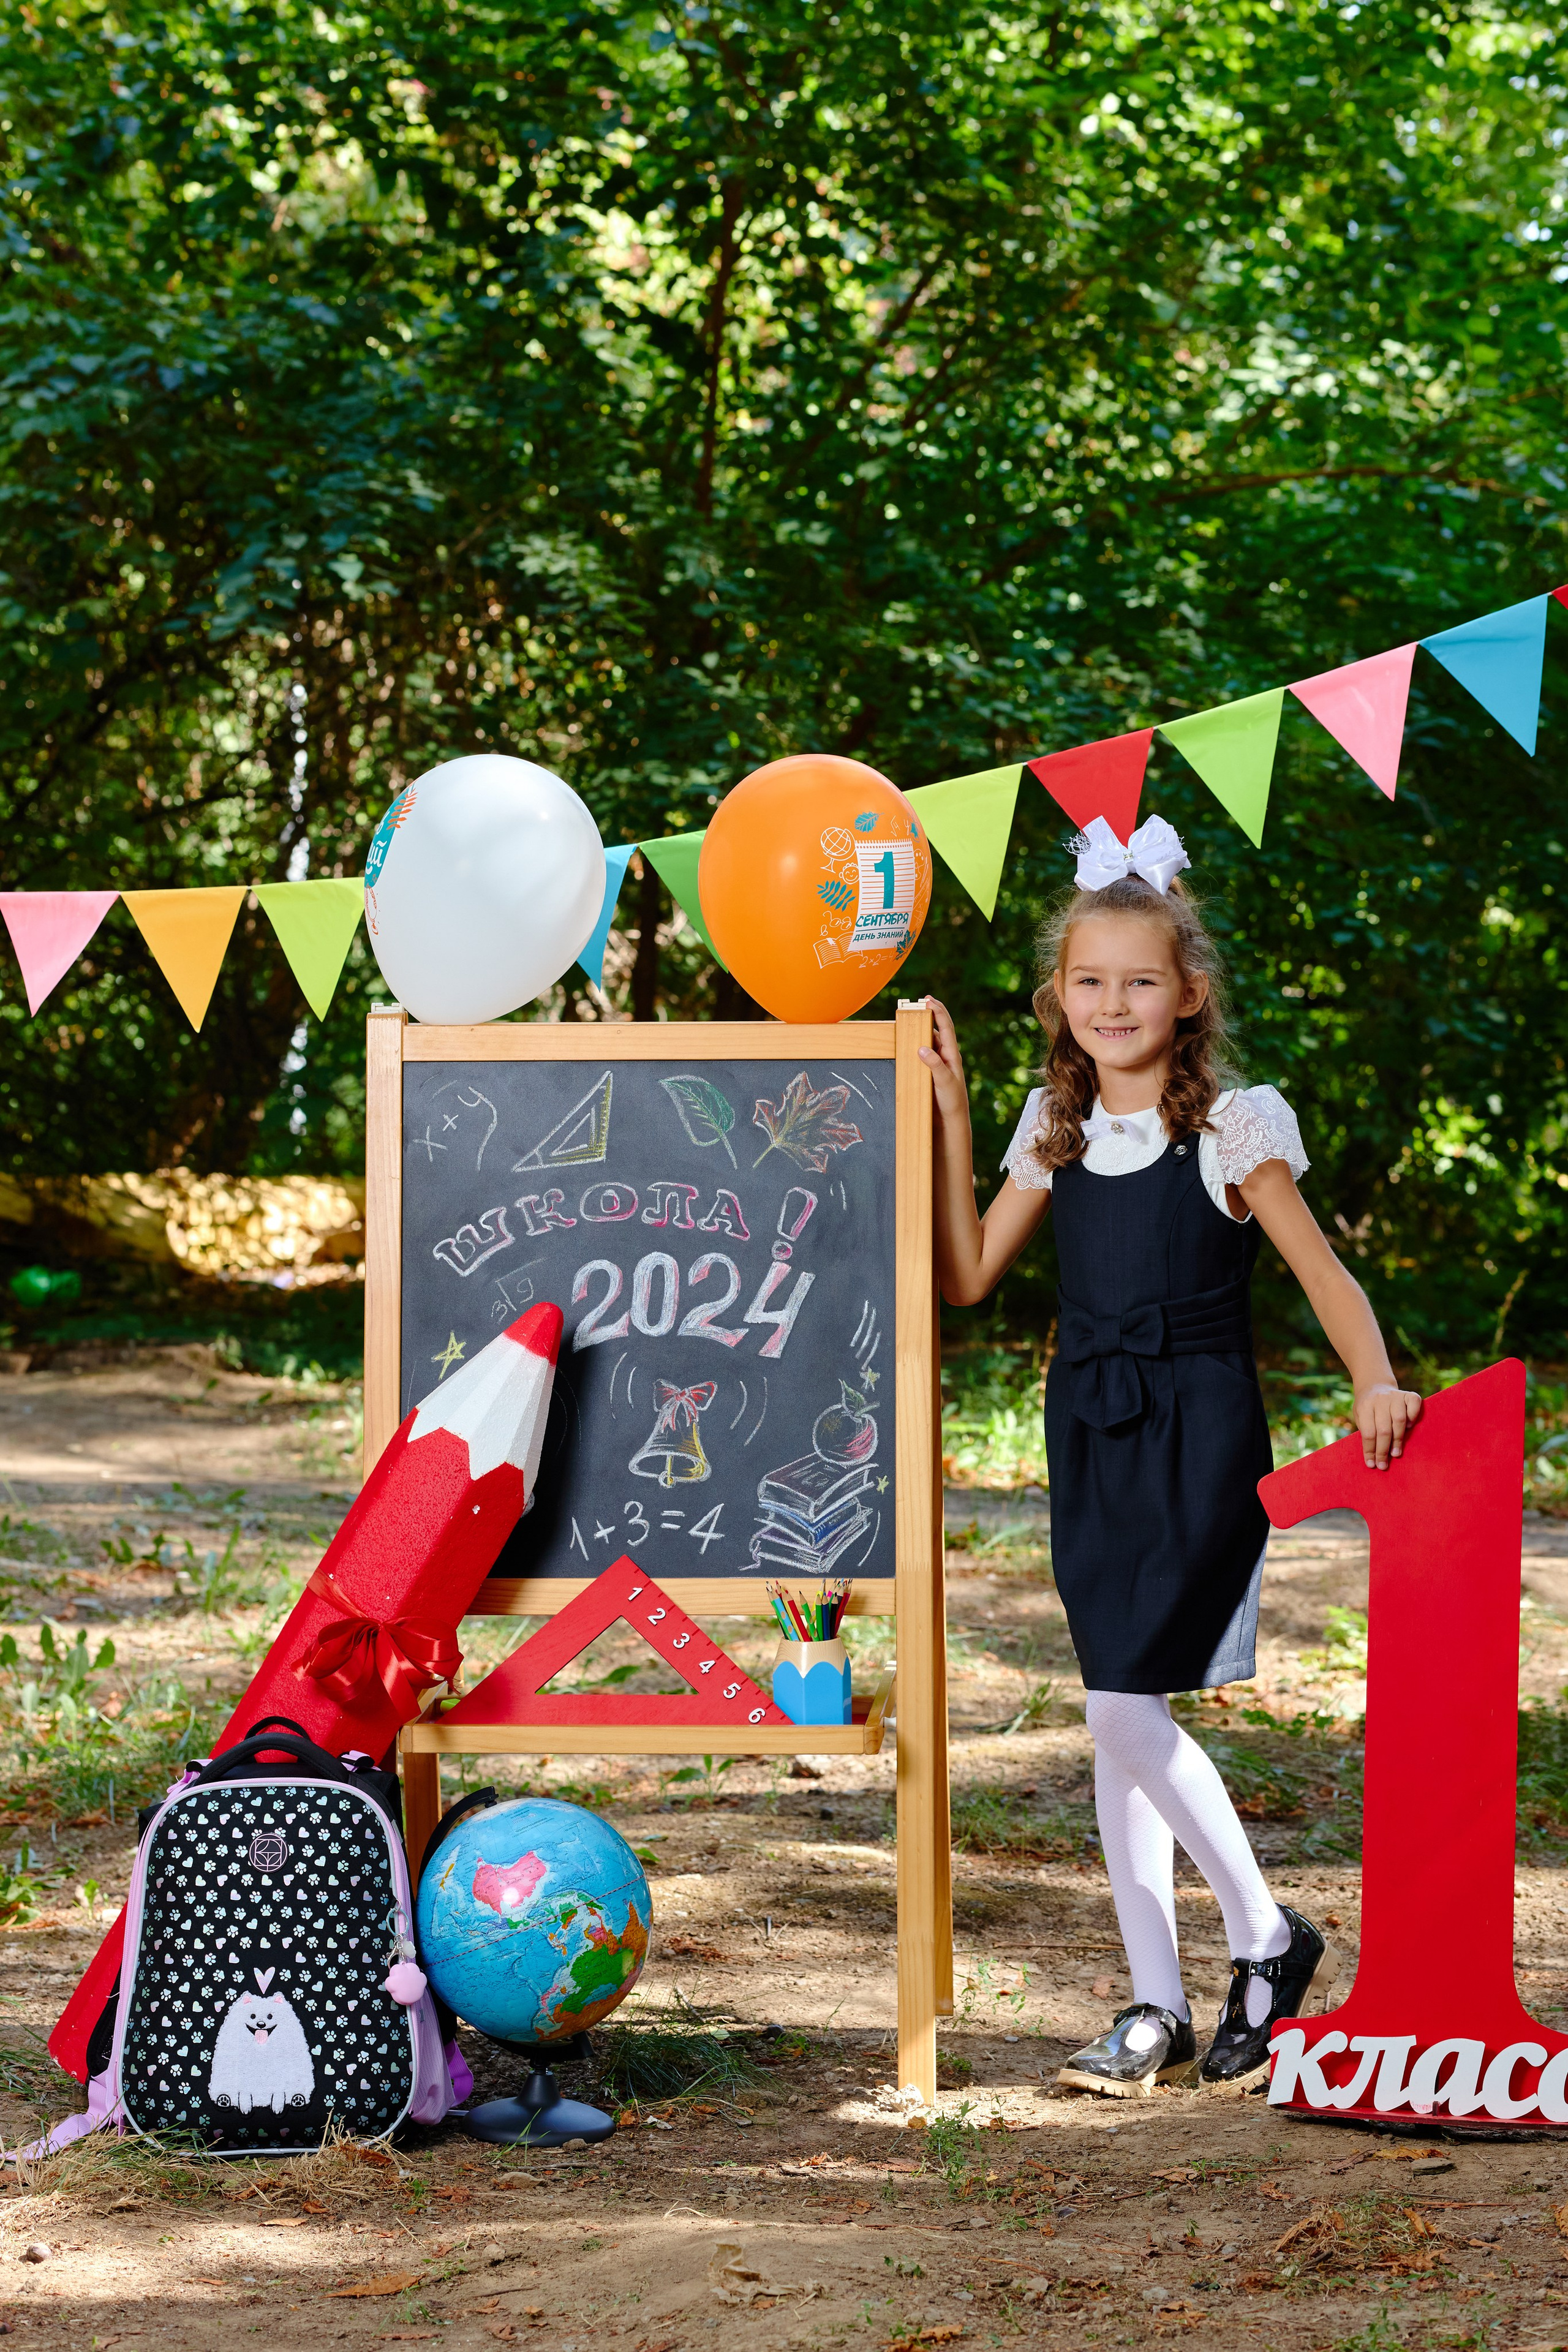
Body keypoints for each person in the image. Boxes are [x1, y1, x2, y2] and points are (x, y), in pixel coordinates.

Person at [921, 813, 1422, 2096]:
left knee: (1118, 1707)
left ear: (1186, 992)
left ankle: (1264, 1936)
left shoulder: (1231, 1129)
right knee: (1112, 1723)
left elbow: (1321, 1273)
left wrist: (1373, 1377)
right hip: (1088, 1431)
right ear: (1055, 996)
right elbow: (968, 1275)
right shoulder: (1055, 1122)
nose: (1112, 1002)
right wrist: (949, 1122)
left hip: (1198, 1436)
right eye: (1087, 981)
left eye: (1139, 979)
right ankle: (1154, 2005)